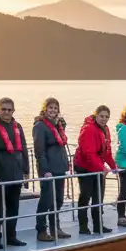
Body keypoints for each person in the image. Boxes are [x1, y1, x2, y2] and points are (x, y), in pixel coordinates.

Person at [0, 97, 29, 249]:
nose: (6, 112)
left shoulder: (18, 127)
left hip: (15, 174)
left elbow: (23, 148)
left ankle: (11, 236)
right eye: (3, 109)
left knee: (13, 208)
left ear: (13, 111)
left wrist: (26, 170)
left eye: (9, 109)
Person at [33, 97, 72, 242]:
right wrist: (45, 170)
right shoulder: (39, 127)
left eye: (55, 108)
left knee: (58, 200)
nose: (53, 111)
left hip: (60, 168)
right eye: (50, 108)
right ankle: (41, 230)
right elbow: (39, 151)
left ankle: (55, 228)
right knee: (46, 200)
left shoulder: (58, 125)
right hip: (48, 170)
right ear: (45, 109)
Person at [73, 105, 116, 235]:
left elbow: (106, 151)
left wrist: (114, 167)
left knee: (98, 197)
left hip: (97, 166)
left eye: (107, 117)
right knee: (85, 195)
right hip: (84, 167)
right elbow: (88, 153)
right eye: (101, 116)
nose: (104, 119)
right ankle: (83, 226)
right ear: (96, 115)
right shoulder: (88, 129)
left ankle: (98, 225)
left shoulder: (105, 129)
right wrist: (102, 167)